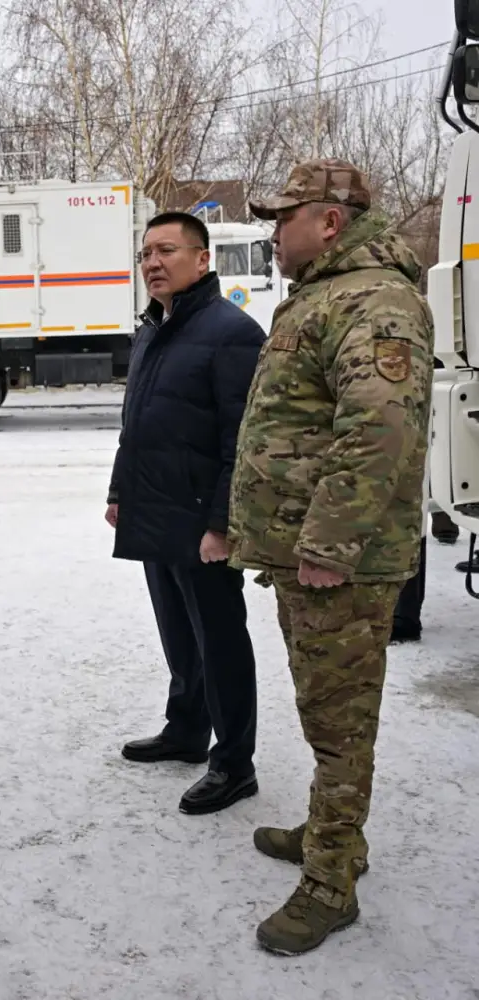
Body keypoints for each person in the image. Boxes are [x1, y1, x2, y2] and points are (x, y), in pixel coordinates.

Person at [227, 159, 434, 955]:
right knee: (325, 710)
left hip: (338, 560)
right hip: (309, 552)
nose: (274, 234)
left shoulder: (374, 301)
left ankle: (331, 883)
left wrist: (329, 544)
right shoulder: (326, 294)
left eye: (284, 219)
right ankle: (328, 831)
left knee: (341, 724)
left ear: (330, 222)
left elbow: (379, 432)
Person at [106, 211, 265, 816]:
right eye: (146, 253)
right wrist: (120, 492)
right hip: (156, 509)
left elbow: (241, 441)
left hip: (203, 521)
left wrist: (222, 524)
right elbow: (136, 424)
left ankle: (234, 762)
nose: (153, 262)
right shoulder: (153, 329)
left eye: (167, 250)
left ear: (202, 260)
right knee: (178, 632)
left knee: (220, 639)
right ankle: (186, 730)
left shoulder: (232, 333)